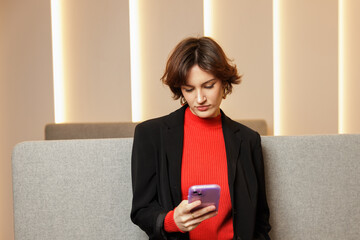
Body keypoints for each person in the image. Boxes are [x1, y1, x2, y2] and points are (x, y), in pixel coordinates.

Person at [131, 36, 271, 240]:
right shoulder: (151, 135)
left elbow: (260, 221)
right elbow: (141, 211)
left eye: (208, 85)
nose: (199, 99)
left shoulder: (248, 140)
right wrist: (171, 221)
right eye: (189, 89)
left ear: (224, 83)